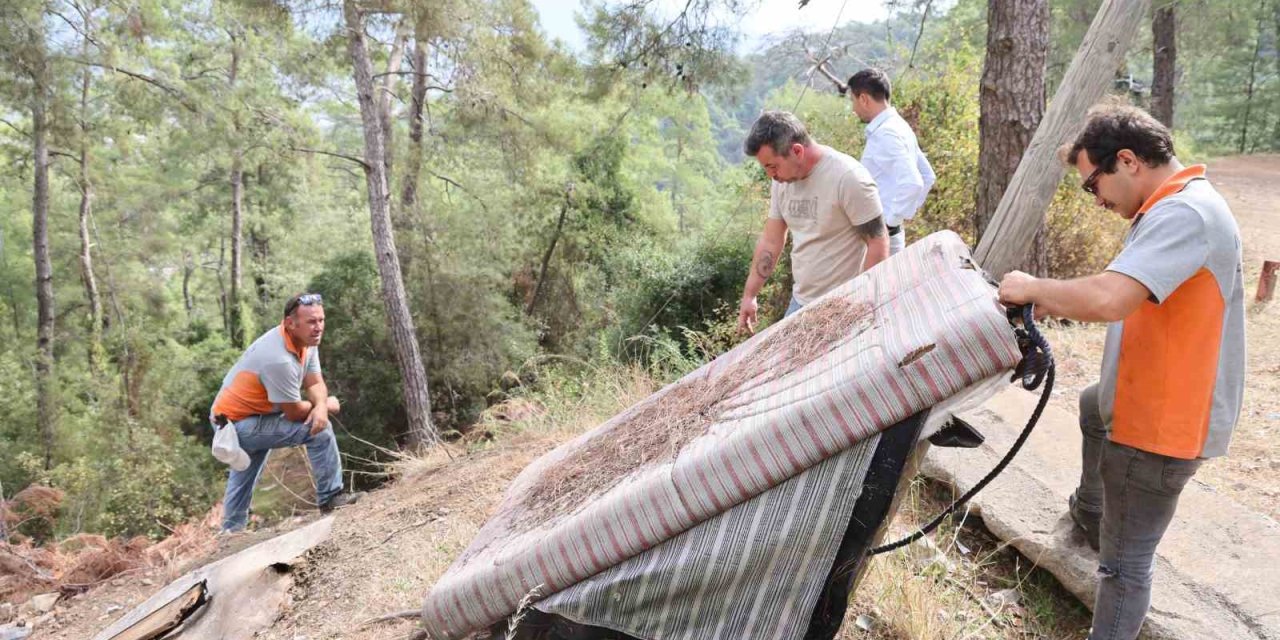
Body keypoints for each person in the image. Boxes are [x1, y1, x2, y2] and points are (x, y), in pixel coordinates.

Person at [998, 104, 1244, 640]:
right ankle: (1090, 515)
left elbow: (1111, 298)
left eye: (1094, 184)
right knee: (1093, 403)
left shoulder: (1183, 215)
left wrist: (1033, 287)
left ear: (1128, 160)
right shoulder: (1176, 204)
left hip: (1158, 428)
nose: (1097, 199)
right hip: (1147, 402)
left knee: (1124, 569)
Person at [210, 293, 362, 532]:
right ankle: (331, 498)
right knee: (318, 430)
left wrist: (321, 405)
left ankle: (230, 532)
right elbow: (293, 413)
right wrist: (325, 407)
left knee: (244, 471)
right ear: (291, 323)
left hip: (245, 415)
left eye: (321, 320)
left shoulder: (306, 342)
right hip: (233, 424)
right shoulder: (278, 359)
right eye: (311, 322)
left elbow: (314, 383)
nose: (318, 327)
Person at [737, 110, 889, 333]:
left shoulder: (848, 177)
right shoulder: (781, 182)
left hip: (844, 304)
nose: (771, 175)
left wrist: (862, 304)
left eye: (773, 166)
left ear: (797, 151)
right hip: (801, 302)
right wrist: (750, 295)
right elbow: (771, 241)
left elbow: (878, 242)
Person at [847, 68, 936, 255]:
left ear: (863, 99)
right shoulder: (899, 126)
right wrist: (901, 216)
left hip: (881, 239)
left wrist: (888, 224)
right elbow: (928, 176)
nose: (853, 109)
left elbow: (914, 182)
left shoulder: (886, 133)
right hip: (888, 235)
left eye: (852, 100)